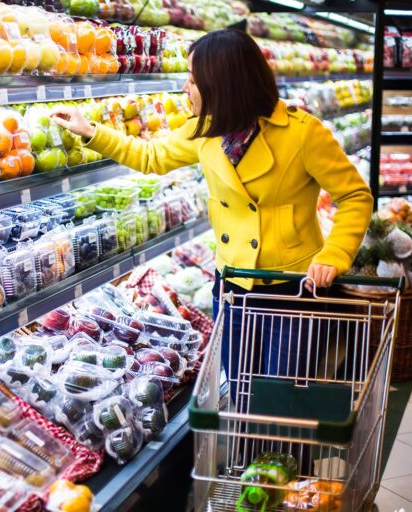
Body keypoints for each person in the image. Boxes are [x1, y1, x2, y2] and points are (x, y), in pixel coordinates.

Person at [51, 29, 372, 403]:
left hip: (292, 289)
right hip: (233, 284)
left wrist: (333, 255)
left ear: (223, 84)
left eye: (192, 80)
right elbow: (151, 157)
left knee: (280, 397)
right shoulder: (205, 131)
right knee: (240, 392)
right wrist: (90, 131)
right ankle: (247, 460)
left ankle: (281, 460)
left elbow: (355, 196)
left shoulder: (303, 134)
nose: (185, 89)